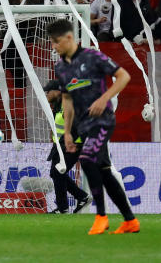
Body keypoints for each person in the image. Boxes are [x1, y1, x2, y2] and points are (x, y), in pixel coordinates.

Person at [48, 19, 139, 235]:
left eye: (56, 42)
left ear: (69, 38)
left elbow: (123, 76)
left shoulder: (93, 56)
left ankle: (101, 217)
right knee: (104, 172)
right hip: (81, 127)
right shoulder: (61, 67)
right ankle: (130, 220)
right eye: (52, 43)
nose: (54, 47)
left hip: (102, 120)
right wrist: (68, 132)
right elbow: (68, 101)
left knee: (87, 159)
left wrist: (104, 98)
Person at [44, 79, 91, 214]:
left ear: (58, 92)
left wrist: (74, 143)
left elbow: (78, 125)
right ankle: (75, 200)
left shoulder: (67, 105)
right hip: (59, 145)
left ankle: (69, 204)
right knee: (56, 173)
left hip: (71, 145)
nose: (46, 94)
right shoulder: (57, 105)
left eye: (48, 91)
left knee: (57, 173)